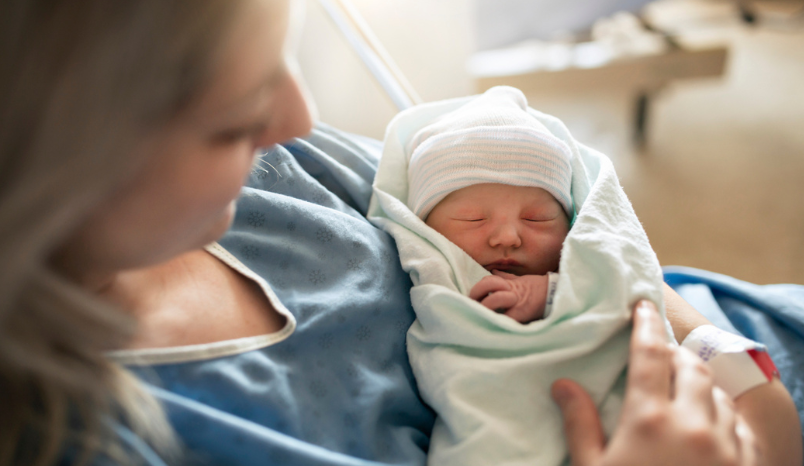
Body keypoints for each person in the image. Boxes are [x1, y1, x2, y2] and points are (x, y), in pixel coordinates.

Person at [0, 1, 800, 466]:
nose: (299, 120)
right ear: (48, 155)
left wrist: (741, 377)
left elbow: (604, 236)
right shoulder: (104, 438)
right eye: (232, 118)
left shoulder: (280, 170)